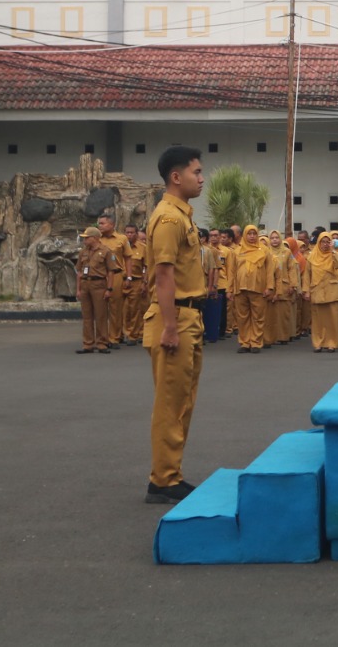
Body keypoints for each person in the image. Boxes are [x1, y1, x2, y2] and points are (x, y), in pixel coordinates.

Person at [142, 145, 208, 505]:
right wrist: (169, 326)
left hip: (187, 316)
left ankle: (171, 474)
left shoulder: (182, 215)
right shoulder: (168, 218)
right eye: (196, 172)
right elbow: (164, 275)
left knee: (183, 401)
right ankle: (163, 480)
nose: (202, 178)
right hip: (175, 318)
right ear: (176, 177)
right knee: (170, 404)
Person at [74, 226, 115, 354]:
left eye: (87, 238)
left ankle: (102, 343)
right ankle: (88, 344)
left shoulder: (106, 251)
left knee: (101, 315)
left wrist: (109, 289)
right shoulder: (83, 252)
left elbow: (111, 272)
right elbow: (79, 272)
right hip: (86, 284)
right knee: (87, 316)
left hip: (99, 284)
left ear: (95, 238)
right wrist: (78, 289)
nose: (85, 241)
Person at [233, 226, 273, 353]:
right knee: (242, 317)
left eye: (254, 233)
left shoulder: (264, 250)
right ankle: (245, 342)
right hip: (240, 288)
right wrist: (230, 289)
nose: (251, 236)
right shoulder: (237, 251)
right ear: (244, 235)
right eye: (249, 234)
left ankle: (256, 342)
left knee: (258, 316)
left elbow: (269, 271)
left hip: (258, 288)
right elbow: (232, 271)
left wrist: (269, 287)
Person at [97, 215, 132, 348]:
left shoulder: (122, 239)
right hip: (100, 275)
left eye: (102, 223)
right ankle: (102, 337)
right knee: (100, 308)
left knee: (115, 308)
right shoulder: (97, 238)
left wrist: (129, 277)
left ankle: (114, 337)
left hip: (116, 275)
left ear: (111, 225)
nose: (100, 226)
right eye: (99, 223)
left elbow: (128, 258)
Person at [307, 232, 338, 351]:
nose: (324, 245)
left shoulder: (333, 255)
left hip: (331, 291)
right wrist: (306, 291)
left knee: (333, 319)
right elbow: (307, 276)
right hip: (317, 290)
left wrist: (333, 251)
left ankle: (332, 343)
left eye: (327, 242)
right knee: (318, 320)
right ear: (318, 243)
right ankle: (318, 343)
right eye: (322, 242)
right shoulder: (311, 257)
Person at [123, 223, 148, 343]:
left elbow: (146, 267)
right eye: (127, 232)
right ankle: (121, 333)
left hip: (136, 280)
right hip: (121, 280)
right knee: (121, 309)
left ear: (136, 234)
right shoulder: (119, 246)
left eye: (132, 232)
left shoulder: (143, 248)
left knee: (135, 309)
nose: (129, 235)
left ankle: (133, 335)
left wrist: (145, 282)